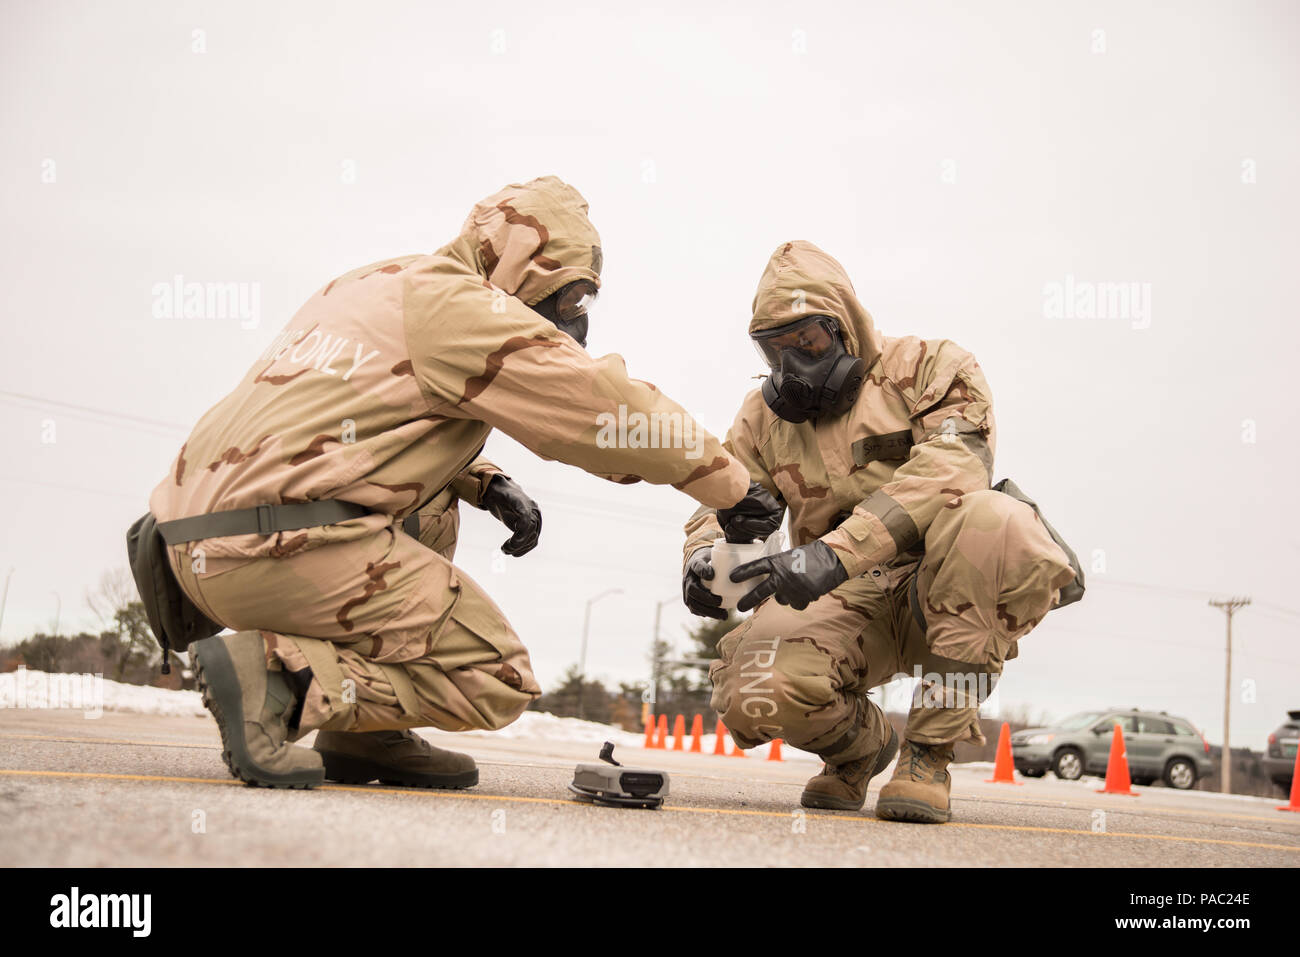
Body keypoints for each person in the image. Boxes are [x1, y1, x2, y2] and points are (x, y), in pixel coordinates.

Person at [149, 176, 749, 789]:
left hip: (192, 542)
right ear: (524, 271)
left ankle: (365, 736)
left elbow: (352, 423)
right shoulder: (469, 310)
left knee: (433, 504)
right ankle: (281, 681)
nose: (575, 323)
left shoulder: (373, 283)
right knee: (496, 679)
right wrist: (735, 484)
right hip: (272, 548)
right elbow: (606, 413)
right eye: (569, 301)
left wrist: (483, 480)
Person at [682, 240, 1082, 823]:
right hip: (845, 597)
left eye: (808, 342)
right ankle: (861, 750)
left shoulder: (932, 367)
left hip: (942, 582)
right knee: (753, 689)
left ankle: (927, 755)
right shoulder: (760, 418)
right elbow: (722, 494)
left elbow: (953, 468)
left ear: (843, 327)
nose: (791, 364)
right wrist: (702, 557)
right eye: (775, 349)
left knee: (996, 523)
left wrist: (832, 554)